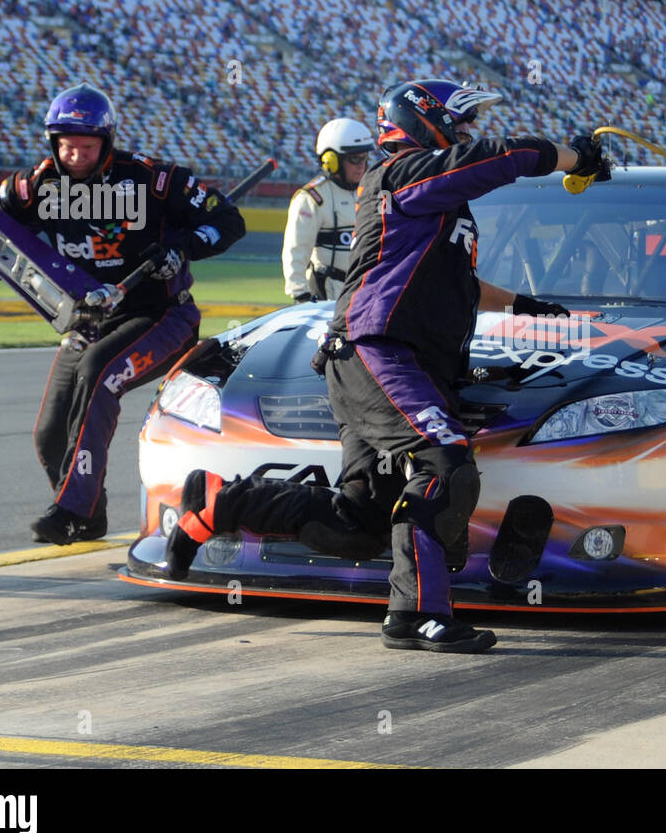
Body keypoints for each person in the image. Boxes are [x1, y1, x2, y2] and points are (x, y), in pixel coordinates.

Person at [162, 78, 607, 652]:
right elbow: (504, 157)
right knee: (447, 467)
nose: (467, 134)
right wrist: (576, 155)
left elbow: (455, 282)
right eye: (460, 123)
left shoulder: (424, 197)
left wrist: (526, 306)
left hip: (380, 357)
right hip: (381, 351)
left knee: (358, 520)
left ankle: (220, 502)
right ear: (426, 122)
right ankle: (420, 614)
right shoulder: (404, 171)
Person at [0, 82, 245, 544]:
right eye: (66, 145)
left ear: (107, 143)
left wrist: (180, 249)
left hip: (161, 316)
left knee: (98, 374)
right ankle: (90, 513)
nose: (75, 155)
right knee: (50, 431)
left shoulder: (155, 180)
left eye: (86, 146)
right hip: (89, 320)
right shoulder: (34, 186)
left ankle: (71, 510)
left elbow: (228, 221)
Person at [281, 118, 373, 303]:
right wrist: (300, 293)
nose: (361, 165)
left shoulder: (371, 189)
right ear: (330, 160)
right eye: (354, 159)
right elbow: (296, 249)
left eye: (364, 158)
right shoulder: (312, 198)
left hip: (365, 291)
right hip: (328, 292)